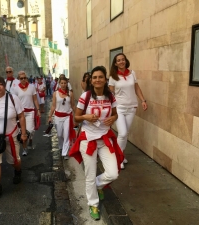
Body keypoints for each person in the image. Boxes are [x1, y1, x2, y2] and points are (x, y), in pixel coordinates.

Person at [69, 66, 122, 220]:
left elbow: (115, 114)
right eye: (94, 77)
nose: (97, 80)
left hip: (105, 138)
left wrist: (114, 118)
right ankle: (93, 204)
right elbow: (76, 118)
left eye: (100, 77)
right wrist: (86, 117)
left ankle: (98, 186)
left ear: (105, 79)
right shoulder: (85, 96)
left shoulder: (110, 96)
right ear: (91, 80)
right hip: (88, 140)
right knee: (89, 175)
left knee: (113, 173)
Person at [108, 53, 148, 169]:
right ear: (115, 63)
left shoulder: (132, 73)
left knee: (125, 134)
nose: (121, 62)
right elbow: (111, 94)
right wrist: (110, 109)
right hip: (119, 108)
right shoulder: (113, 76)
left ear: (125, 61)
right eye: (118, 60)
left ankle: (121, 154)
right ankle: (117, 158)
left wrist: (143, 100)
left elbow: (136, 87)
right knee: (123, 133)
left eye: (123, 59)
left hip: (131, 108)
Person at [13, 71, 41, 156]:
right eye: (21, 78)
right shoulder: (16, 89)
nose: (23, 79)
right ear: (19, 79)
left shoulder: (32, 87)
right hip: (21, 113)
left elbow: (35, 99)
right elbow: (14, 102)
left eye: (25, 78)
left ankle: (30, 138)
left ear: (27, 78)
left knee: (31, 130)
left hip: (30, 111)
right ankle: (24, 149)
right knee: (23, 132)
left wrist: (38, 109)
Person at [48, 77, 76, 159]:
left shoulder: (70, 93)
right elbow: (53, 106)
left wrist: (77, 115)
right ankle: (61, 146)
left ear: (67, 83)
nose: (63, 84)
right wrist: (50, 116)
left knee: (66, 134)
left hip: (67, 116)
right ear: (59, 84)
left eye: (65, 83)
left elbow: (73, 105)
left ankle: (65, 153)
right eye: (62, 83)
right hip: (58, 117)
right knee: (60, 134)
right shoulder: (55, 93)